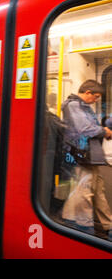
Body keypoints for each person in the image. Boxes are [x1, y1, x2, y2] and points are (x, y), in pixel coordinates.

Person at [61, 80, 112, 239]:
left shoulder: (83, 107)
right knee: (84, 193)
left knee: (98, 192)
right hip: (83, 155)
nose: (96, 100)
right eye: (95, 97)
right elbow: (85, 129)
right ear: (87, 92)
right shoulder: (73, 105)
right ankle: (84, 227)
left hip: (91, 156)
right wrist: (104, 131)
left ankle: (108, 225)